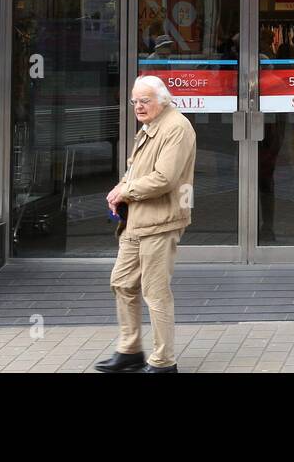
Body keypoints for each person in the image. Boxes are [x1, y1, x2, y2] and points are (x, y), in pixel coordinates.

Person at [95, 75, 197, 373]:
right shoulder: (152, 125)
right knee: (123, 283)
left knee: (155, 291)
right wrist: (120, 189)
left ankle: (164, 362)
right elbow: (136, 169)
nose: (138, 107)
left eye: (144, 101)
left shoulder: (176, 127)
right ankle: (129, 351)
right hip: (137, 220)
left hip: (161, 222)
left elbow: (164, 179)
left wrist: (124, 191)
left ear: (162, 100)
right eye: (134, 101)